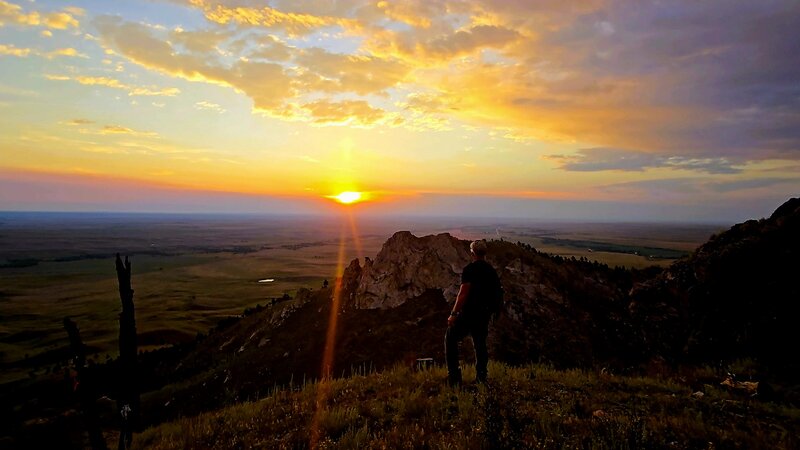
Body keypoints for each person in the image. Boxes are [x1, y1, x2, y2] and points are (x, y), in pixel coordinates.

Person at [445, 239, 501, 386]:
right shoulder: (491, 271)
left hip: (470, 313)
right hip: (484, 314)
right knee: (480, 344)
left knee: (450, 337)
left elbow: (463, 294)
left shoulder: (470, 269)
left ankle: (454, 377)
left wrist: (453, 314)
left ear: (472, 253)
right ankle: (481, 377)